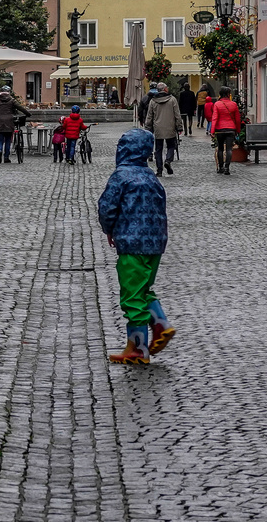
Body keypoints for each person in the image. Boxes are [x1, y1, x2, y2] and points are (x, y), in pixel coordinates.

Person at [97, 128, 174, 365]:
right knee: (143, 289)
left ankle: (138, 349)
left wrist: (109, 229)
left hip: (132, 243)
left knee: (131, 297)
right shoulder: (151, 177)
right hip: (155, 244)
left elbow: (107, 207)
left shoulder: (121, 176)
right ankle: (160, 324)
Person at [144, 81, 181, 176]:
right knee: (171, 146)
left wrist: (148, 127)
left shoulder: (153, 101)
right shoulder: (172, 100)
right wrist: (179, 127)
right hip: (170, 127)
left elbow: (149, 116)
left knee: (158, 149)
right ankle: (168, 161)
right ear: (165, 89)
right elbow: (177, 115)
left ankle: (159, 170)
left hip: (158, 128)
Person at [210, 87, 242, 175]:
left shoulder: (217, 104)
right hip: (231, 129)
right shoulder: (233, 104)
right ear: (228, 94)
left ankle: (221, 167)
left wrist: (212, 131)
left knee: (220, 148)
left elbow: (215, 118)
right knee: (229, 149)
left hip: (220, 129)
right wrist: (238, 130)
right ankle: (227, 167)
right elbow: (237, 120)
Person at [0, 87, 28, 163]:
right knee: (8, 140)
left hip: (0, 121)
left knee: (0, 139)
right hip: (9, 121)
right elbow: (20, 107)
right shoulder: (12, 100)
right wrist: (28, 113)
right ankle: (6, 157)